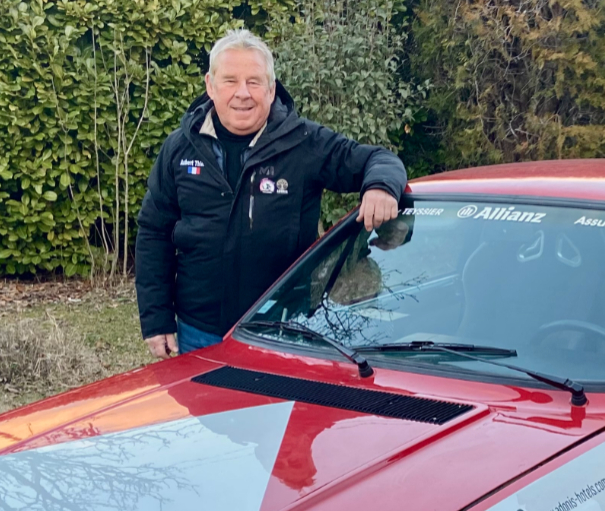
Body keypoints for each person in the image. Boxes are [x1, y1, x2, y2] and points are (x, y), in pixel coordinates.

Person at [135, 29, 407, 357]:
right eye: (230, 81)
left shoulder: (304, 143)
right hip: (197, 331)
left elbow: (379, 160)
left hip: (283, 331)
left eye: (254, 81)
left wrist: (380, 186)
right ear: (210, 85)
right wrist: (157, 319)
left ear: (271, 88)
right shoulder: (180, 147)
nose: (242, 93)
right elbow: (154, 232)